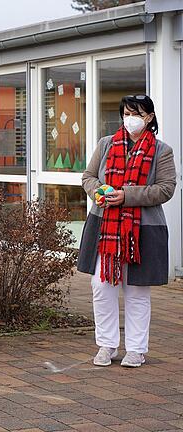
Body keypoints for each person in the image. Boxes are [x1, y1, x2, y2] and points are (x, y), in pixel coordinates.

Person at [78, 95, 176, 368]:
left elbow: (166, 188)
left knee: (137, 291)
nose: (131, 118)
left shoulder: (161, 151)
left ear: (150, 118)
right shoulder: (106, 144)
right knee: (101, 285)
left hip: (142, 230)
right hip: (105, 227)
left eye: (138, 113)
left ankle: (136, 349)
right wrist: (99, 191)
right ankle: (106, 345)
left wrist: (126, 196)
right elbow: (88, 176)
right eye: (127, 112)